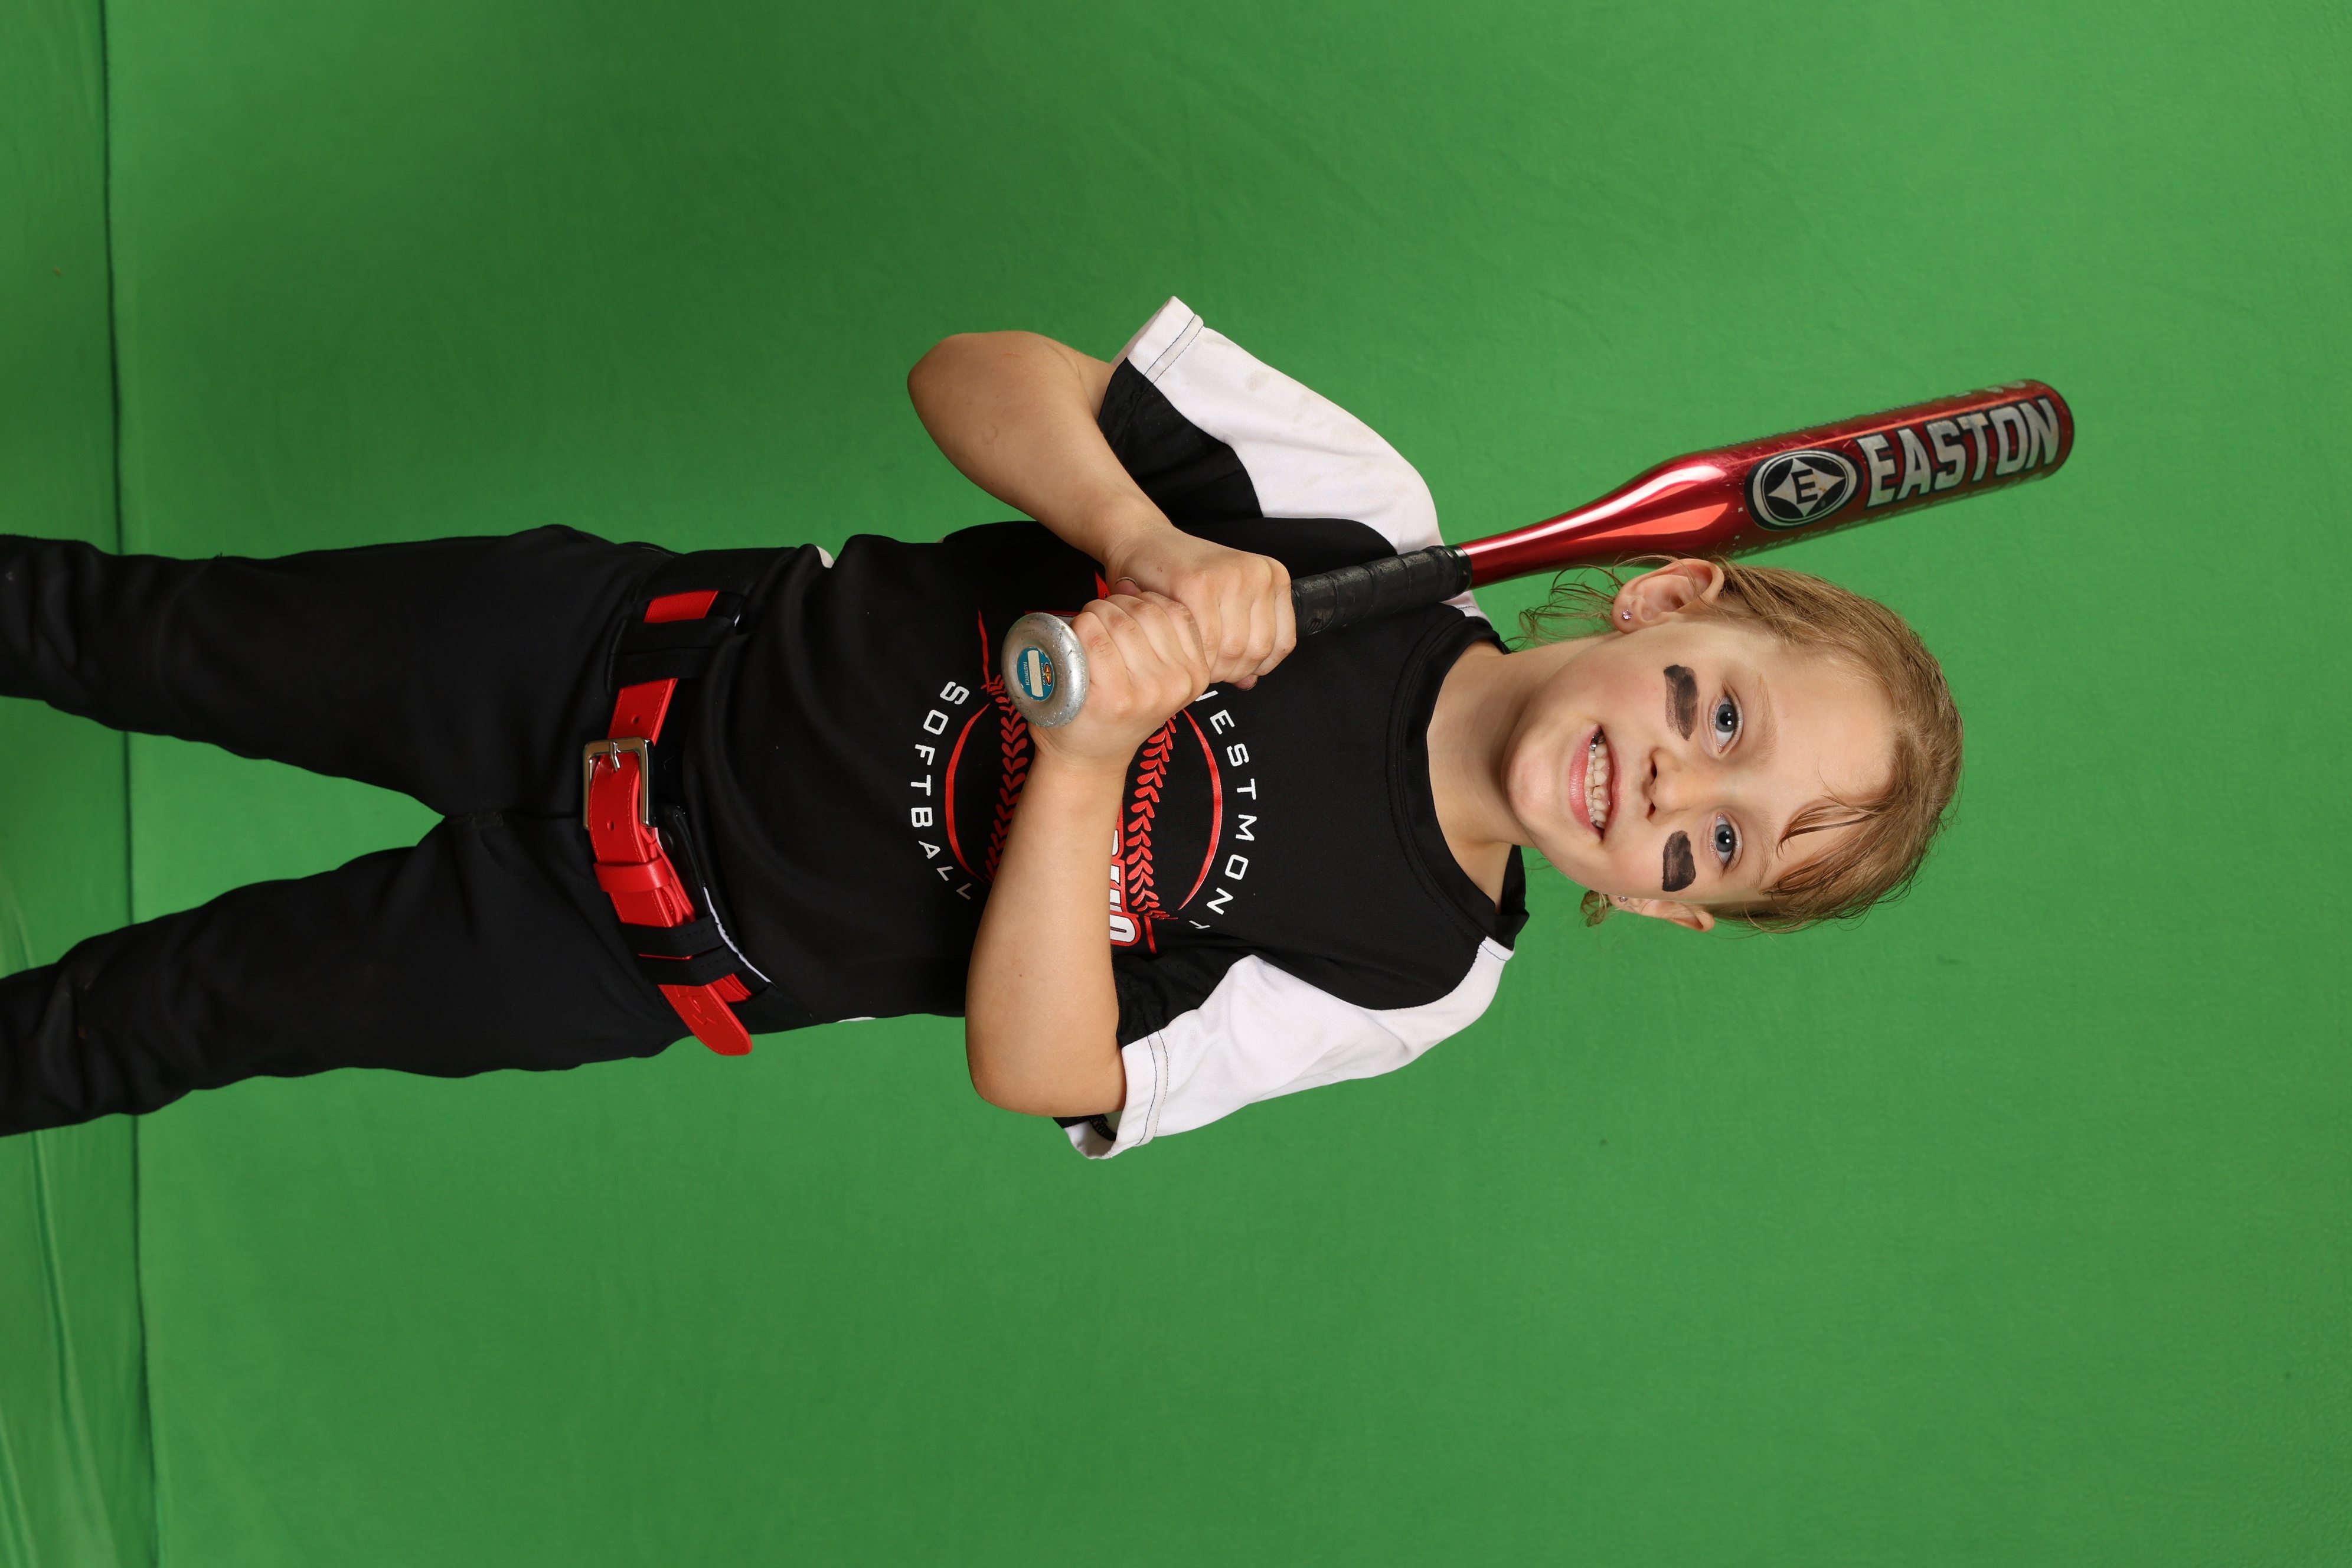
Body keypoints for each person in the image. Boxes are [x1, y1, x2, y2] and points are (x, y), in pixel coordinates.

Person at [0, 299, 1961, 1157]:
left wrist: (1097, 754)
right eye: (1717, 713)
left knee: (151, 1020)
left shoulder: (1416, 975)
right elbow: (968, 374)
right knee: (136, 629)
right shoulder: (1360, 519)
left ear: (1675, 908)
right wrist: (1147, 540)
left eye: (1716, 843)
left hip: (623, 940)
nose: (1675, 787)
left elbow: (1043, 1066)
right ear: (1667, 594)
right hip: (606, 646)